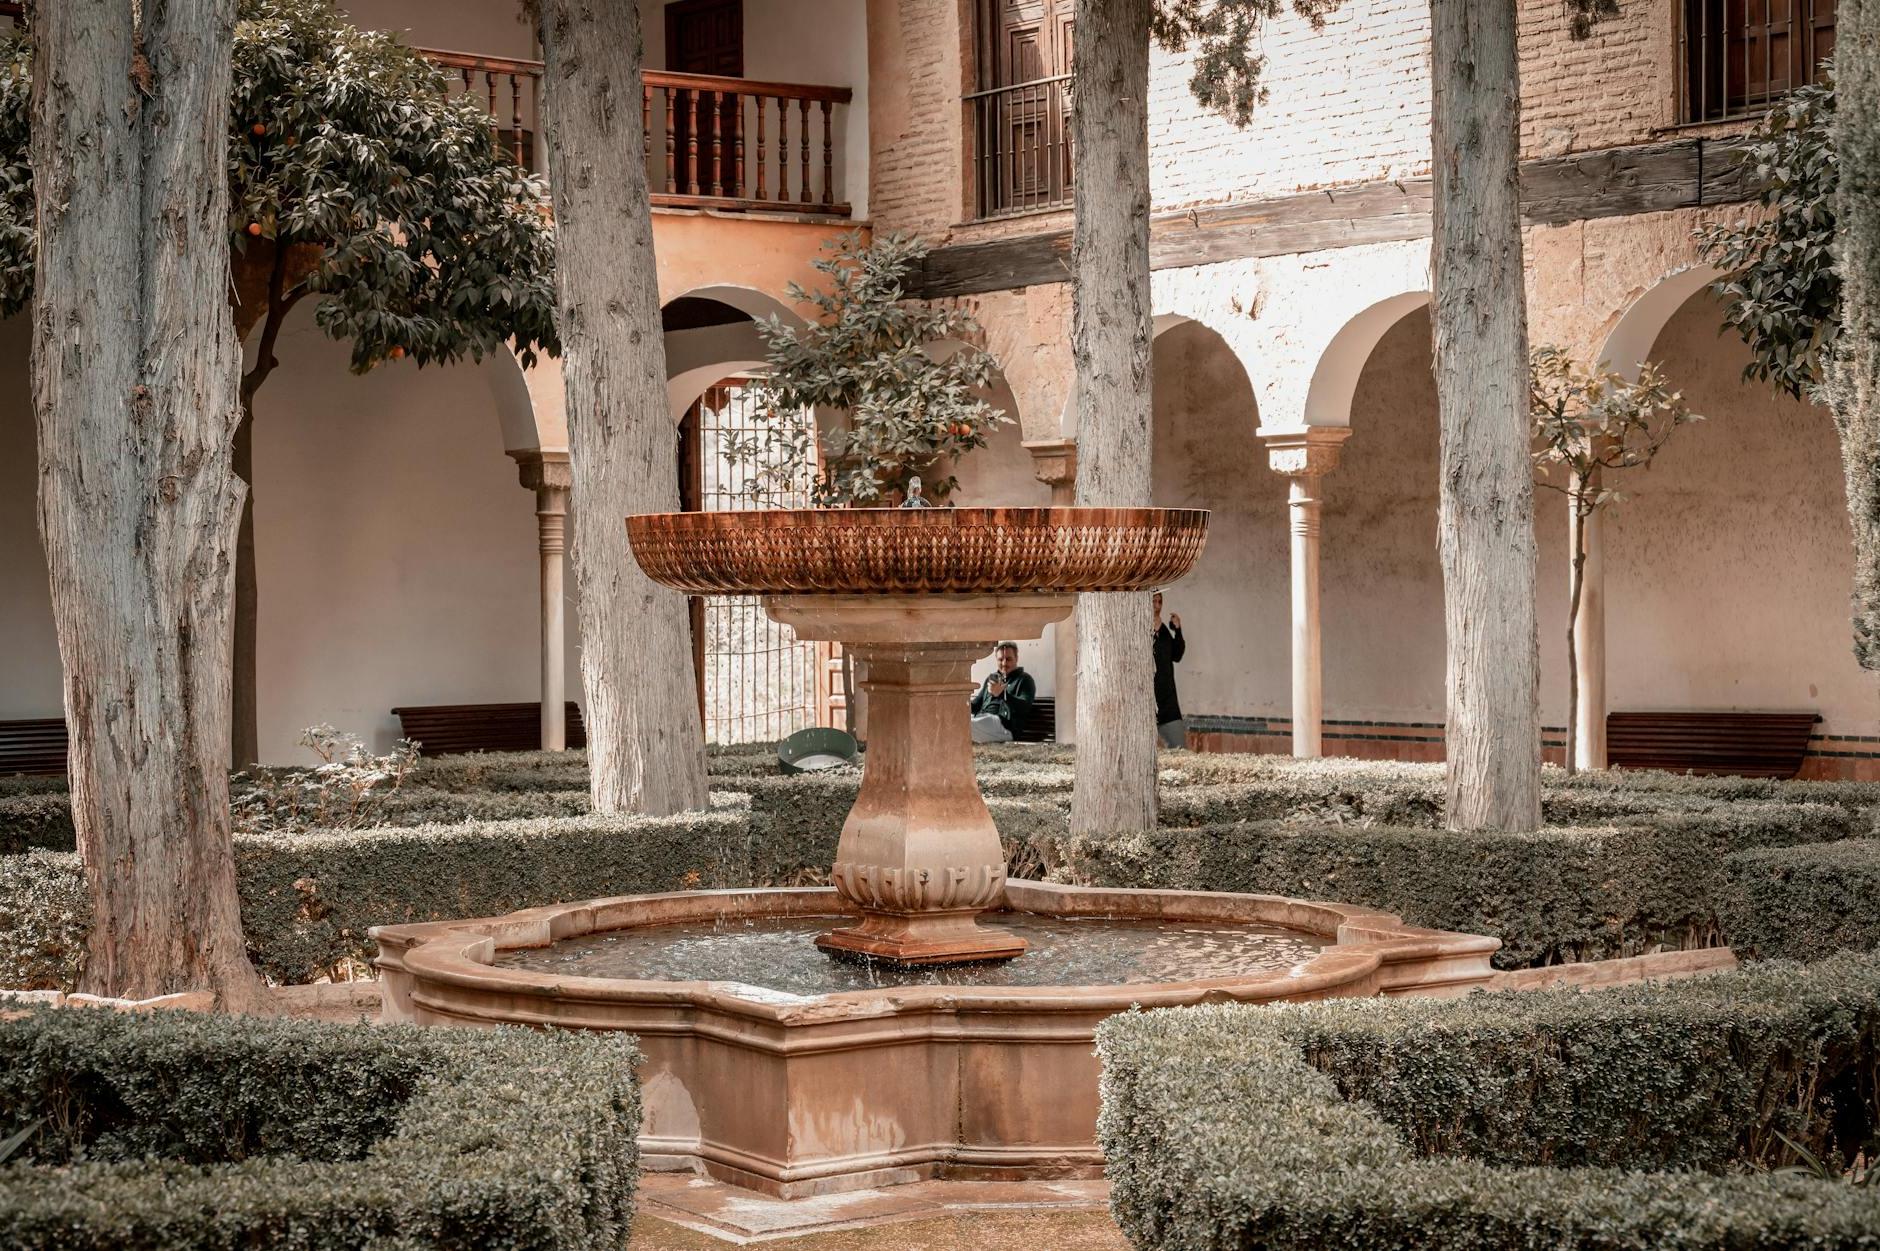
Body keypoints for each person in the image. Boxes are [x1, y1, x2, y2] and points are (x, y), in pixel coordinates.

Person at [969, 642, 1035, 743]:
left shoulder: (1025, 680)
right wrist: (960, 703)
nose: (1004, 663)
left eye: (1008, 659)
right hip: (984, 720)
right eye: (1000, 659)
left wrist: (1002, 695)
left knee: (963, 726)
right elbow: (976, 704)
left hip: (1005, 727)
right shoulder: (991, 679)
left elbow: (1024, 707)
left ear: (1016, 658)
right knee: (954, 721)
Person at [1152, 591, 1186, 748]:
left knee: (1179, 749)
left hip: (1167, 699)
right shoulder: (1137, 630)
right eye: (1154, 601)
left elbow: (1177, 656)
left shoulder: (1165, 632)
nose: (1157, 606)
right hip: (1146, 700)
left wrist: (1178, 630)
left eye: (1160, 602)